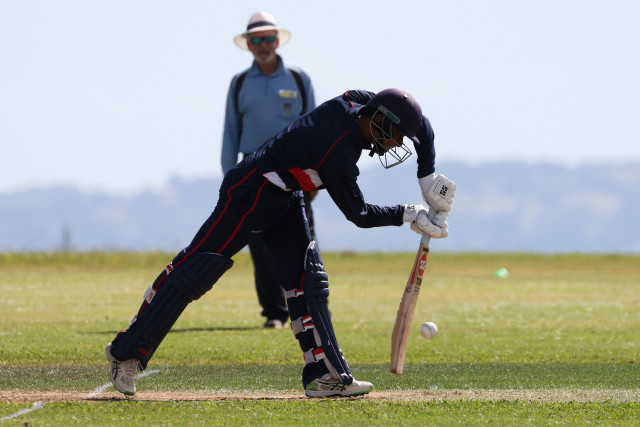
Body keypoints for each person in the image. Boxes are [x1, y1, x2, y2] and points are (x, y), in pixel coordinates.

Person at [105, 88, 456, 398]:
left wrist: (426, 177)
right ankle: (126, 352)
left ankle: (325, 377)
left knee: (308, 280)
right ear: (379, 120)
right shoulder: (334, 151)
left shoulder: (360, 100)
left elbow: (421, 125)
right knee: (198, 268)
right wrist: (409, 213)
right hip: (250, 192)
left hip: (286, 196)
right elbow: (359, 214)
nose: (397, 144)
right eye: (397, 135)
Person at [222, 11, 317, 329]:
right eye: (256, 39)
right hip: (253, 169)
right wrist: (231, 181)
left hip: (294, 169)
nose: (263, 44)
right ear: (248, 45)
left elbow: (315, 130)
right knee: (260, 246)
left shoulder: (299, 79)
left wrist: (315, 177)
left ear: (277, 41)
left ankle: (311, 309)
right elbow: (230, 134)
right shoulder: (239, 84)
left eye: (268, 38)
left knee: (304, 245)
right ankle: (275, 314)